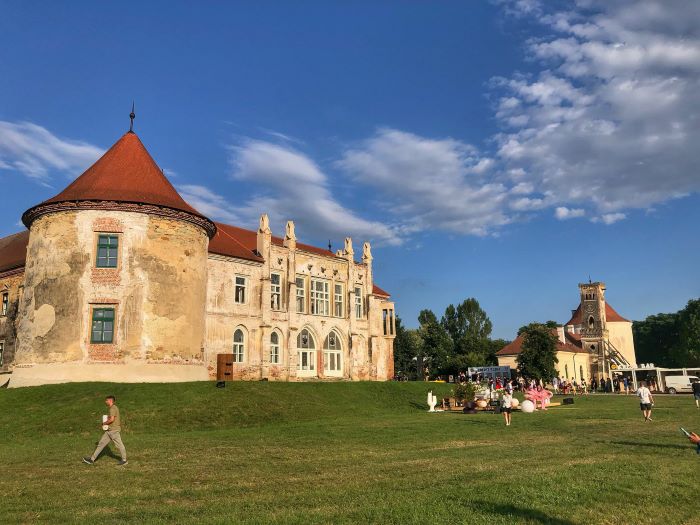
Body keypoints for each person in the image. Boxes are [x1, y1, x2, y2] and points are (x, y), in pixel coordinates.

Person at [83, 395, 127, 466]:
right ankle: (91, 460)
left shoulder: (112, 408)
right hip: (109, 431)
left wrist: (104, 423)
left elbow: (112, 419)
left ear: (110, 400)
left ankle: (124, 460)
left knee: (119, 445)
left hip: (114, 431)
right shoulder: (113, 408)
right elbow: (112, 418)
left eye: (106, 400)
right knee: (101, 444)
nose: (105, 401)